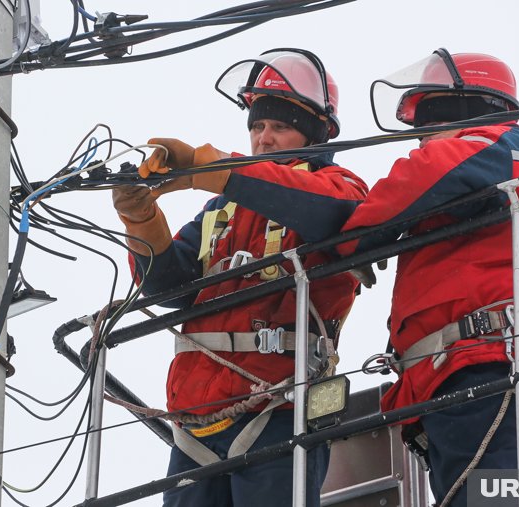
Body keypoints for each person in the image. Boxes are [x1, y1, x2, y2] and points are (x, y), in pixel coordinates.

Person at [111, 48, 368, 506]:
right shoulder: (222, 209)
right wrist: (142, 220)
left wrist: (215, 169)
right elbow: (166, 288)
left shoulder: (340, 186)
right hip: (197, 417)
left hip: (280, 406)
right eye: (256, 126)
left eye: (279, 127)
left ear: (316, 134)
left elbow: (326, 210)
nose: (263, 138)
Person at [336, 49, 519, 506]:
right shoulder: (499, 174)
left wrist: (350, 240)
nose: (419, 144)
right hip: (489, 371)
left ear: (461, 110)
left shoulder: (497, 147)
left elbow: (423, 174)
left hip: (482, 367)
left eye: (427, 127)